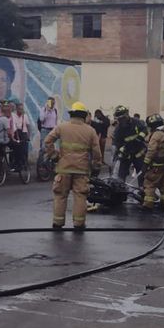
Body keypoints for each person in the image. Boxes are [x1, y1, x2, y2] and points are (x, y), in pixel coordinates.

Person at [44, 101, 101, 230]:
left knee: (60, 195)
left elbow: (48, 141)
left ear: (72, 114)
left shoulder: (62, 127)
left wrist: (54, 156)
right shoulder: (90, 131)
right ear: (84, 115)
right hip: (82, 170)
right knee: (80, 196)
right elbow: (97, 151)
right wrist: (96, 166)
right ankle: (79, 224)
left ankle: (57, 223)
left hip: (64, 168)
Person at [141, 114, 164, 210]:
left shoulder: (156, 134)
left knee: (149, 184)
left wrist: (145, 164)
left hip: (155, 166)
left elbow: (151, 150)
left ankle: (148, 205)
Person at [112, 105, 147, 186]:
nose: (121, 120)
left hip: (139, 153)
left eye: (122, 118)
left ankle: (142, 192)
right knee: (121, 176)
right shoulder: (118, 130)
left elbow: (144, 130)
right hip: (126, 154)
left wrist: (140, 137)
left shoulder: (136, 122)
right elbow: (117, 143)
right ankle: (121, 192)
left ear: (127, 115)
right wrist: (121, 150)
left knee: (142, 175)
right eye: (119, 119)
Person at [37, 97, 58, 165]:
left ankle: (48, 164)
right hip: (45, 130)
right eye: (51, 102)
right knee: (43, 147)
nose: (52, 104)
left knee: (51, 147)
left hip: (52, 130)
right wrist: (47, 110)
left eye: (53, 102)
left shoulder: (55, 110)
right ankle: (40, 164)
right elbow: (41, 119)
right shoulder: (44, 109)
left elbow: (55, 121)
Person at [0, 100, 13, 174]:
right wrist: (12, 138)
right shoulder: (4, 118)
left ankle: (0, 168)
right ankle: (8, 166)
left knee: (0, 153)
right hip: (3, 139)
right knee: (15, 146)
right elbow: (9, 131)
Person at [11, 102, 30, 171]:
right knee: (16, 150)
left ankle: (24, 164)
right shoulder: (13, 115)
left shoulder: (25, 116)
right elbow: (13, 126)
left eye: (22, 109)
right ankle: (16, 164)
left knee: (25, 150)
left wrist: (28, 136)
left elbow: (28, 126)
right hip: (16, 133)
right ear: (16, 109)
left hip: (24, 133)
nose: (21, 111)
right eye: (19, 109)